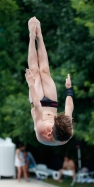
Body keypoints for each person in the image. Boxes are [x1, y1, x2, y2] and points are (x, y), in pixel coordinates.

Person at [25, 17, 75, 146]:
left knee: (35, 72)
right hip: (52, 105)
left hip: (38, 104)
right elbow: (69, 107)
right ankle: (39, 35)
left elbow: (37, 106)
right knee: (45, 71)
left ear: (50, 133)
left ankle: (31, 36)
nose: (50, 127)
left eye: (51, 128)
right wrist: (69, 89)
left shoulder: (41, 134)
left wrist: (30, 84)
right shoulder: (67, 130)